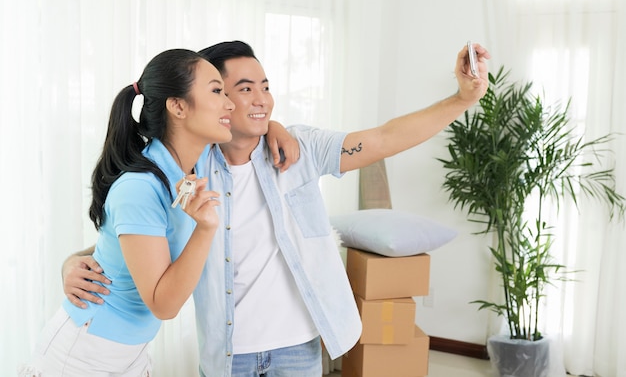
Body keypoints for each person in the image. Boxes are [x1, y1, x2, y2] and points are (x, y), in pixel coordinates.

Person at [62, 41, 491, 377]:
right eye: (241, 89)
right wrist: (72, 263)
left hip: (299, 348)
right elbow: (140, 235)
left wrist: (461, 99)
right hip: (228, 352)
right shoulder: (190, 167)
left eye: (265, 86)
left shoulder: (297, 149)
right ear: (218, 102)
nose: (261, 99)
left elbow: (383, 138)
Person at [21, 48, 237, 376]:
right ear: (178, 106)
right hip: (86, 352)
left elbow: (129, 246)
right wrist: (205, 228)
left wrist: (72, 260)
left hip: (128, 351)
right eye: (217, 91)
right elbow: (163, 304)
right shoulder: (140, 186)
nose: (230, 103)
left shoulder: (180, 171)